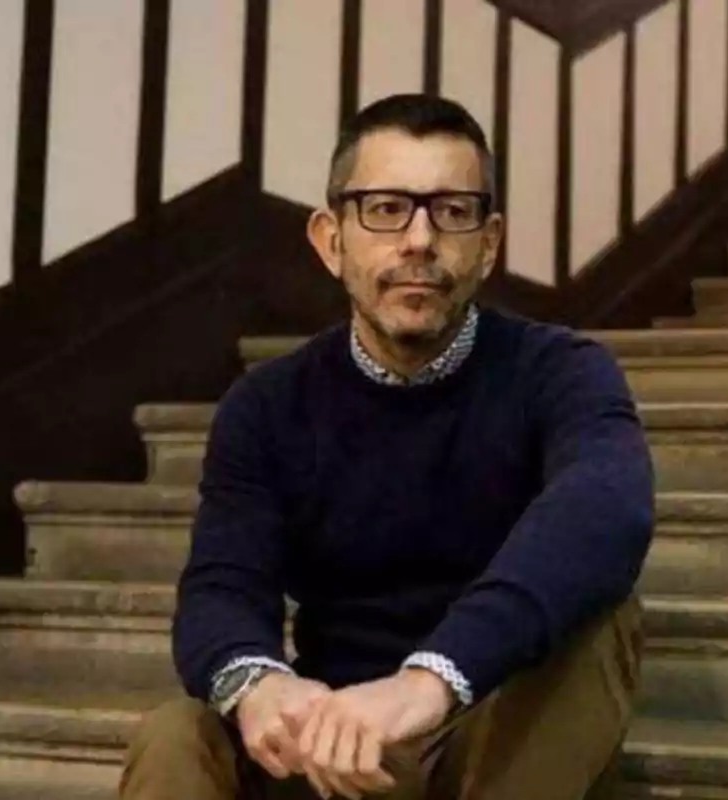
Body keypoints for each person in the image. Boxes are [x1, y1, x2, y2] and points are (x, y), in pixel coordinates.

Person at [119, 92, 654, 800]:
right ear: (330, 239)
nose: (419, 240)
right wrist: (261, 688)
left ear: (488, 243)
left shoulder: (560, 371)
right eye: (385, 209)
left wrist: (433, 678)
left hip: (496, 734)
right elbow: (222, 585)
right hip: (335, 739)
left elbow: (606, 511)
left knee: (600, 616)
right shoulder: (267, 406)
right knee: (175, 732)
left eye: (453, 211)